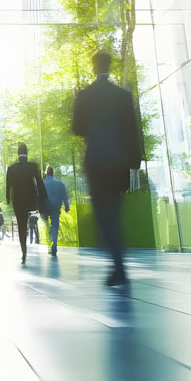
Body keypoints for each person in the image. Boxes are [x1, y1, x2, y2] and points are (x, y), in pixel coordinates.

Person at [72, 50, 141, 286]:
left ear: (93, 67)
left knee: (103, 211)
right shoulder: (122, 95)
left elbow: (77, 129)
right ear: (109, 67)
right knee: (114, 209)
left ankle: (117, 259)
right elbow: (133, 129)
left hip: (97, 160)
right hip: (119, 160)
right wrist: (135, 160)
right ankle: (118, 257)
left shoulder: (84, 95)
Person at [6, 142, 41, 263]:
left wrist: (8, 199)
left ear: (17, 153)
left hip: (18, 201)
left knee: (21, 225)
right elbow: (39, 183)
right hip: (30, 202)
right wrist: (41, 200)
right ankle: (26, 244)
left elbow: (8, 185)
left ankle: (24, 251)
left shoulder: (11, 168)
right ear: (27, 153)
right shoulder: (33, 166)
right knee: (27, 222)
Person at [42, 166, 70, 256]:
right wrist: (67, 206)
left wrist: (38, 208)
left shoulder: (42, 184)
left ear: (46, 173)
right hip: (55, 208)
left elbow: (38, 197)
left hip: (45, 208)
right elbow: (65, 196)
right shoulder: (60, 184)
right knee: (55, 226)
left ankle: (49, 245)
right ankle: (54, 245)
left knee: (47, 226)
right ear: (53, 173)